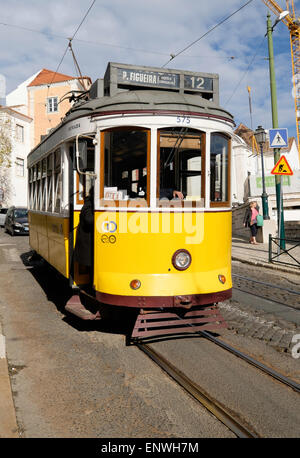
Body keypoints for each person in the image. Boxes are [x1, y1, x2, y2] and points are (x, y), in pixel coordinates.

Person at [74, 186, 94, 279]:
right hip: (87, 242)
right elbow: (89, 220)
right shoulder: (89, 204)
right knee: (92, 268)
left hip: (89, 242)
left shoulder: (90, 203)